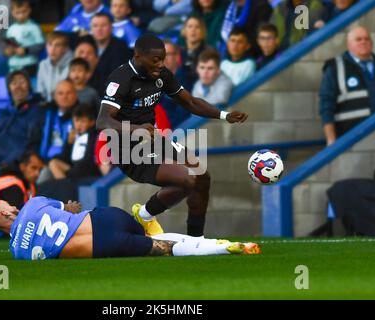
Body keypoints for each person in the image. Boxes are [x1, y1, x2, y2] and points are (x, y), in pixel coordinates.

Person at [97, 34, 248, 237]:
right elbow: (103, 121)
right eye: (155, 59)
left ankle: (197, 239)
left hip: (152, 140)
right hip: (125, 149)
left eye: (163, 58)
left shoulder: (161, 75)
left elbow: (190, 102)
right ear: (138, 56)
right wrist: (137, 129)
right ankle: (144, 215)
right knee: (187, 180)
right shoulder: (121, 79)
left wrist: (224, 115)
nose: (161, 64)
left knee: (202, 176)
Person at [0, 195, 261, 259]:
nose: (14, 207)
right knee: (154, 233)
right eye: (9, 206)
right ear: (6, 211)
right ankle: (147, 218)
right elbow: (70, 209)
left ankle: (224, 249)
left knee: (163, 248)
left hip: (103, 247)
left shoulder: (18, 253)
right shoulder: (33, 204)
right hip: (106, 218)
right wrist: (69, 208)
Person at [0, 70, 44, 179]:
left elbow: (33, 142)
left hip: (17, 166)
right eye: (14, 83)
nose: (18, 86)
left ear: (29, 86)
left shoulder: (37, 111)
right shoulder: (5, 113)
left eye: (22, 82)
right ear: (9, 88)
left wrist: (12, 163)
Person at [319, 26, 375, 145]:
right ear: (349, 44)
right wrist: (331, 139)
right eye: (358, 39)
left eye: (367, 39)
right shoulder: (335, 67)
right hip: (349, 138)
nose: (363, 42)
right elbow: (326, 104)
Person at [0, 150, 44, 239]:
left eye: (40, 169)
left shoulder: (27, 185)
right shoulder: (12, 185)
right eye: (33, 168)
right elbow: (19, 218)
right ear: (23, 166)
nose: (37, 174)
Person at [49, 103, 101, 182]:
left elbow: (89, 158)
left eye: (83, 121)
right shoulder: (73, 135)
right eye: (77, 120)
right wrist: (69, 144)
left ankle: (68, 186)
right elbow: (66, 158)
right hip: (74, 168)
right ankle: (65, 186)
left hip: (88, 169)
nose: (79, 125)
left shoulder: (93, 136)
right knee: (53, 163)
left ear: (92, 122)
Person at [89, 12, 132, 97]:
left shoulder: (120, 49)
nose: (99, 29)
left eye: (103, 25)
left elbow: (116, 80)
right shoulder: (88, 46)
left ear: (111, 28)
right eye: (95, 26)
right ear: (91, 30)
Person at [4, 0, 44, 76]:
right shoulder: (10, 29)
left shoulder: (34, 27)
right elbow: (8, 46)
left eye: (24, 12)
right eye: (18, 12)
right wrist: (7, 51)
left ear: (29, 10)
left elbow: (41, 45)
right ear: (12, 13)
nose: (21, 15)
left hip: (29, 64)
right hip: (13, 65)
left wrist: (26, 50)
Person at [37, 32, 73, 102]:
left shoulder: (73, 64)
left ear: (65, 49)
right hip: (48, 105)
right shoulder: (43, 65)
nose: (52, 49)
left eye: (57, 45)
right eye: (50, 45)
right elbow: (41, 91)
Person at [178, 15, 211, 86]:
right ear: (184, 30)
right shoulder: (178, 51)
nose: (193, 30)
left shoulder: (209, 53)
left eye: (197, 27)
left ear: (202, 31)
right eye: (190, 26)